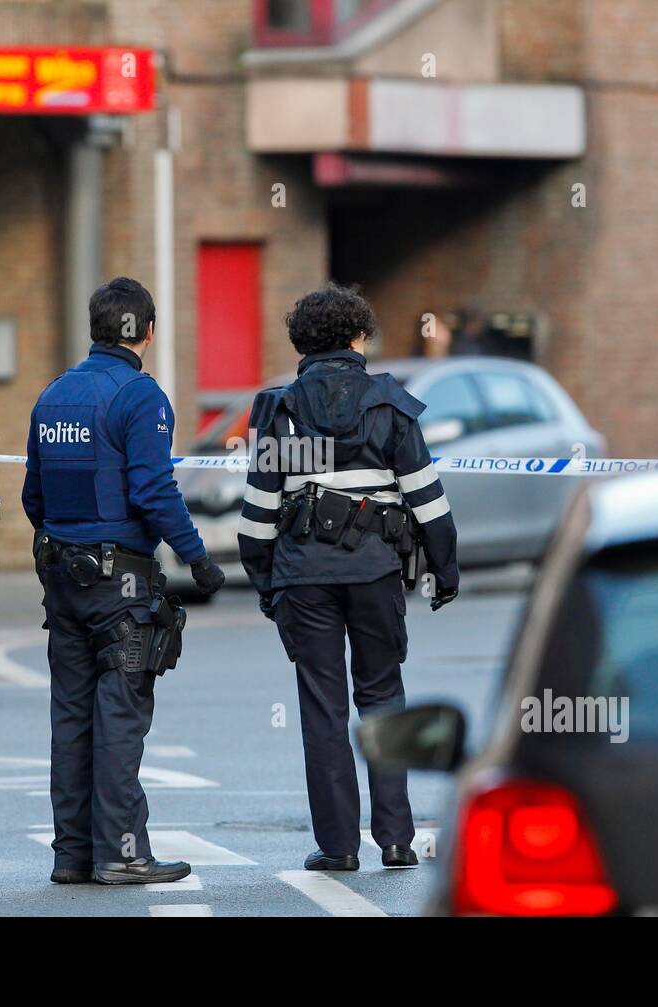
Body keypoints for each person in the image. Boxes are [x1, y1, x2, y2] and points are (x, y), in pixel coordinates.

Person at [238, 283, 460, 872]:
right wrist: (445, 569)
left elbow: (258, 516)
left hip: (302, 577)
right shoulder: (389, 405)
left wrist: (267, 583)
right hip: (376, 573)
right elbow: (428, 502)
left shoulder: (282, 411)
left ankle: (337, 848)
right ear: (359, 337)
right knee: (384, 697)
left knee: (322, 708)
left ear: (301, 342)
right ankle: (395, 840)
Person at [22, 276, 225, 886]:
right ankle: (123, 852)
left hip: (62, 576)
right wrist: (199, 558)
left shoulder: (53, 396)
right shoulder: (141, 396)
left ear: (95, 328)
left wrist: (71, 539)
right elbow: (154, 489)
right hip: (121, 585)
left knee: (71, 715)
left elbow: (34, 494)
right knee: (120, 715)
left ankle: (73, 854)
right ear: (149, 331)